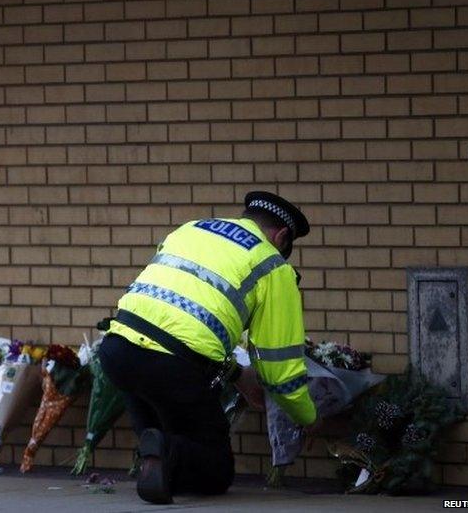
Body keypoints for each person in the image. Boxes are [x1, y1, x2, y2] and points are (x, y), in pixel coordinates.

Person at [96, 191, 319, 504]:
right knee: (215, 470)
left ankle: (159, 455)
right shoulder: (272, 266)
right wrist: (307, 416)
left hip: (117, 351)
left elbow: (179, 325)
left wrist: (236, 374)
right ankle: (164, 451)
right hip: (174, 369)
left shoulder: (192, 229)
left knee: (162, 440)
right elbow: (278, 366)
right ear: (281, 236)